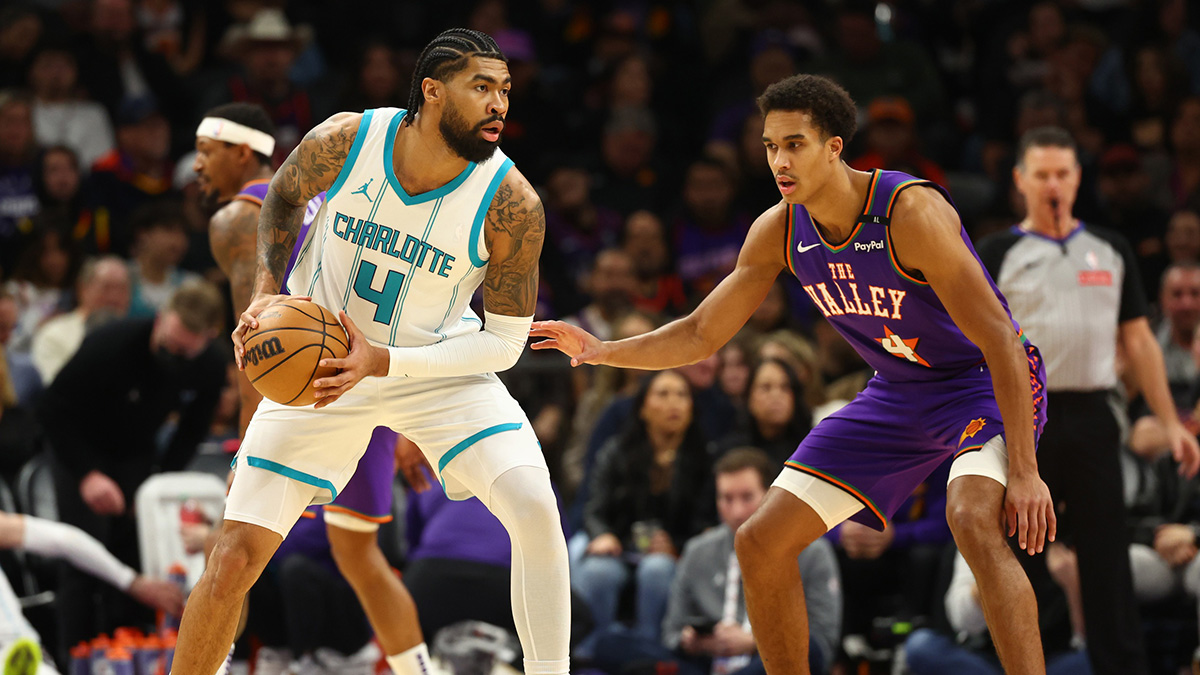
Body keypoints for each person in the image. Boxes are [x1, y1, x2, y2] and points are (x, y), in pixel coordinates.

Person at [532, 73, 1056, 674]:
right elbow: (703, 333)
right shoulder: (780, 228)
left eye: (795, 144)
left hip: (981, 379)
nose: (779, 160)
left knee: (968, 516)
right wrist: (602, 351)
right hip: (899, 392)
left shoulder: (910, 212)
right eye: (769, 145)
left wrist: (1024, 470)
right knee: (758, 541)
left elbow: (999, 338)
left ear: (834, 146)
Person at [174, 28, 570, 675]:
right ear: (432, 92)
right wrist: (265, 294)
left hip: (433, 368)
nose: (500, 103)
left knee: (533, 504)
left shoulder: (513, 203)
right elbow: (282, 194)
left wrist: (387, 361)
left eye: (504, 89)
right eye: (482, 88)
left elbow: (502, 342)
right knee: (233, 557)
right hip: (321, 367)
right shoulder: (348, 139)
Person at [194, 102, 430, 673]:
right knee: (358, 554)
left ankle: (213, 666)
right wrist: (407, 416)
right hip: (363, 385)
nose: (196, 166)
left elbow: (259, 348)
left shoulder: (235, 221)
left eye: (206, 151)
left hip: (304, 401)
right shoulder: (327, 195)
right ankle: (422, 669)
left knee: (229, 553)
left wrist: (250, 443)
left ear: (243, 153)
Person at [976, 126, 1200, 675]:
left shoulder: (1111, 249)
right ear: (1020, 181)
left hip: (1095, 414)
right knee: (1018, 554)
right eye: (1042, 174)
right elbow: (976, 342)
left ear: (1077, 178)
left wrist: (1171, 423)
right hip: (1022, 416)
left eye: (1062, 173)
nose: (1053, 183)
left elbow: (1140, 341)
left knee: (1107, 561)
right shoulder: (998, 251)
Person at [37, 279, 225, 654]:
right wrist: (88, 475)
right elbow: (52, 409)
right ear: (160, 319)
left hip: (136, 452)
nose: (173, 353)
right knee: (85, 555)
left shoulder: (210, 364)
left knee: (133, 552)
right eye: (169, 343)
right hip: (79, 446)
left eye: (184, 350)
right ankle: (73, 656)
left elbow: (192, 430)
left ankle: (126, 650)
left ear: (209, 337)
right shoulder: (112, 343)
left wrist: (159, 481)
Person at [574, 370, 715, 652]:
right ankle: (587, 654)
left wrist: (676, 546)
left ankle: (652, 653)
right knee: (598, 571)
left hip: (672, 555)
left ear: (691, 408)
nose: (673, 403)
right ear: (643, 408)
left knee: (657, 569)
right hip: (620, 546)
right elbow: (593, 505)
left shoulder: (706, 458)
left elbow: (708, 522)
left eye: (681, 395)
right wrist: (602, 535)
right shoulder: (616, 451)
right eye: (662, 394)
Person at [0, 510, 183, 675]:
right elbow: (64, 539)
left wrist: (132, 582)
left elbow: (64, 540)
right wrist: (132, 582)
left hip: (27, 658)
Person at [30, 255, 130, 385]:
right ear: (83, 289)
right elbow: (57, 389)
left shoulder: (139, 336)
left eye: (122, 289)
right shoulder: (53, 335)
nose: (114, 297)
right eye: (106, 287)